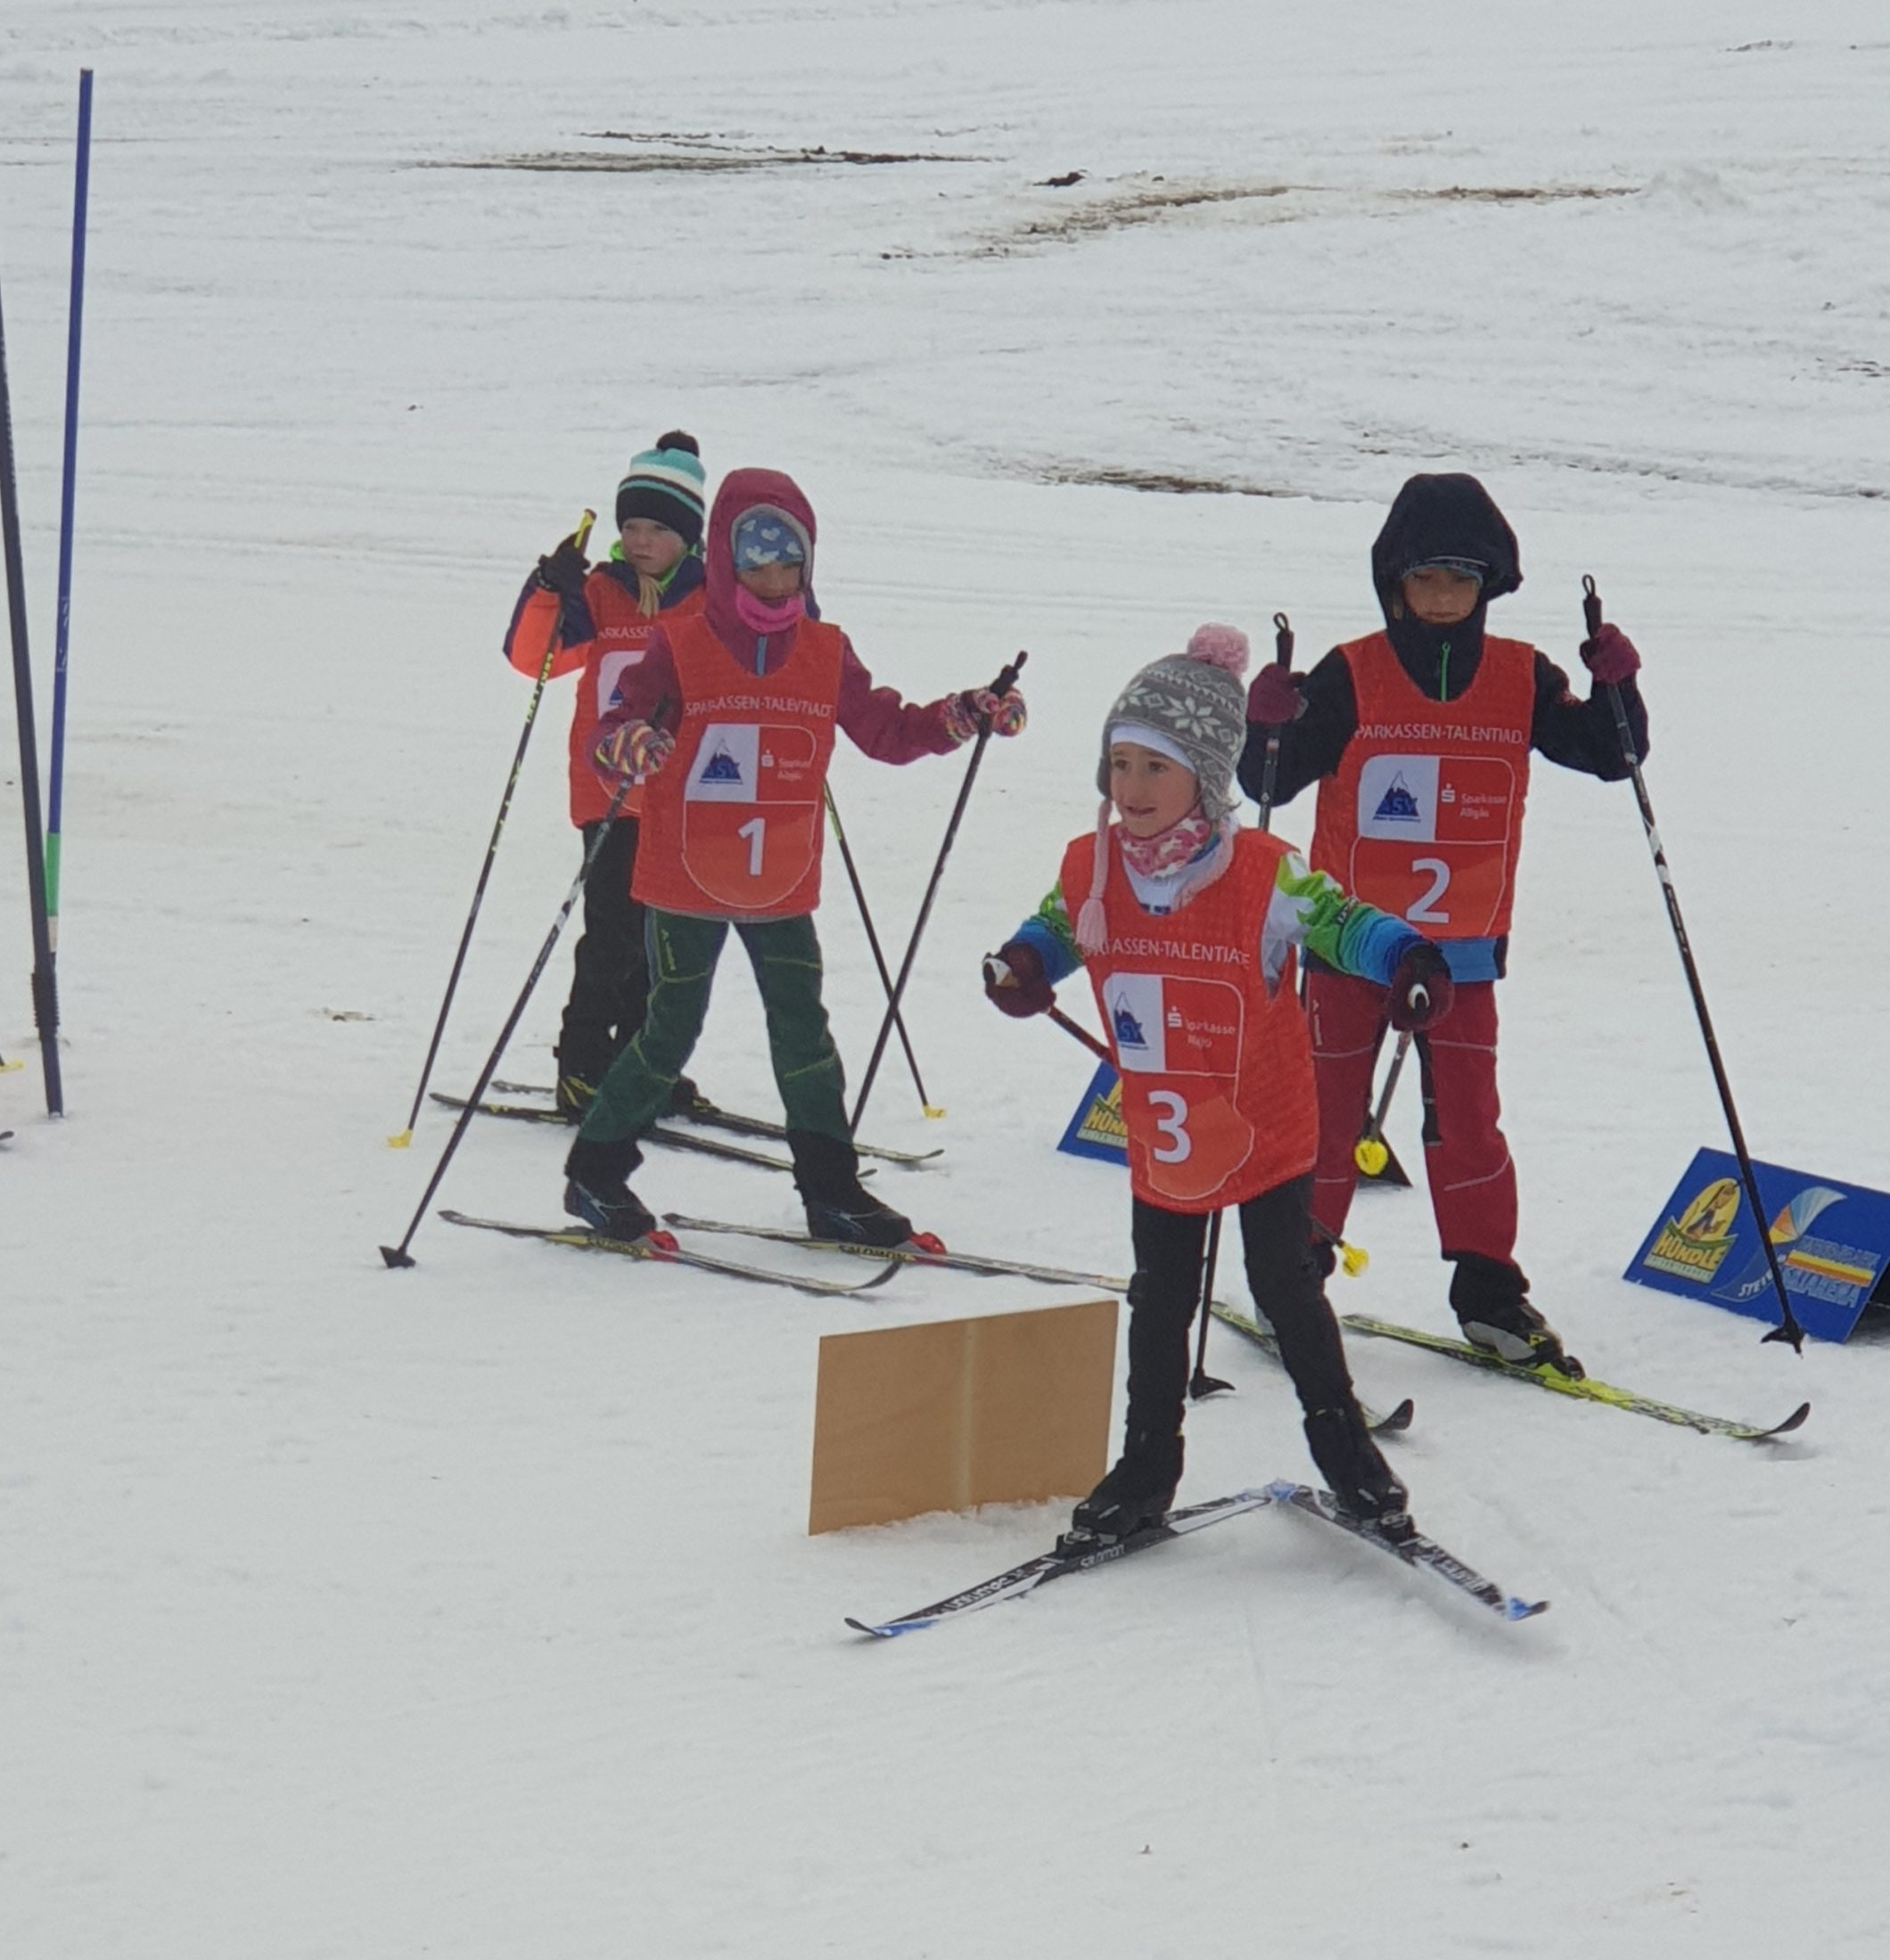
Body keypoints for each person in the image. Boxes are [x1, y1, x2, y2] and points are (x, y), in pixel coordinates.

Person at [984, 626, 1448, 1546]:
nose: (1130, 789)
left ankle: (1347, 1456)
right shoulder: (1094, 865)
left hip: (1265, 1125)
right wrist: (1022, 965)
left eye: (1154, 767)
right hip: (1167, 1138)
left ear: (1203, 771)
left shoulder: (1262, 877)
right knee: (1159, 1294)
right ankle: (1145, 1464)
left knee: (1283, 1287)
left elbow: (1346, 923)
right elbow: (1054, 926)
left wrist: (1407, 960)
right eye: (1117, 763)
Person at [1236, 472, 1647, 1371]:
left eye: (1461, 579)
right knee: (1324, 1113)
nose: (1442, 596)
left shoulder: (1520, 676)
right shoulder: (1349, 673)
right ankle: (1292, 1271)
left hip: (1462, 953)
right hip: (1348, 946)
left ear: (1488, 585)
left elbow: (1613, 756)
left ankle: (1490, 1292)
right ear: (1395, 583)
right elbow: (1269, 784)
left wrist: (1617, 690)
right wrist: (1264, 725)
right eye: (1425, 579)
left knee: (1468, 1121)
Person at [563, 466, 1025, 1246]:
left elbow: (884, 730)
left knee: (803, 1030)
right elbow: (619, 721)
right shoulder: (680, 642)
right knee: (670, 1028)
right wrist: (629, 743)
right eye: (756, 563)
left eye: (790, 565)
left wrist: (961, 716)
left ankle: (832, 1191)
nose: (774, 582)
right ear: (724, 560)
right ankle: (596, 1175)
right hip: (684, 873)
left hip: (779, 876)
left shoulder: (824, 649)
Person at [502, 432, 708, 1118]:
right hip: (611, 794)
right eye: (632, 526)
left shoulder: (713, 599)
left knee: (664, 947)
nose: (642, 540)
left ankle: (638, 1062)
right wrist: (545, 593)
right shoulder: (600, 591)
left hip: (684, 795)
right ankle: (582, 1067)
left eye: (657, 528)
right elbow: (535, 660)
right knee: (614, 936)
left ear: (688, 536)